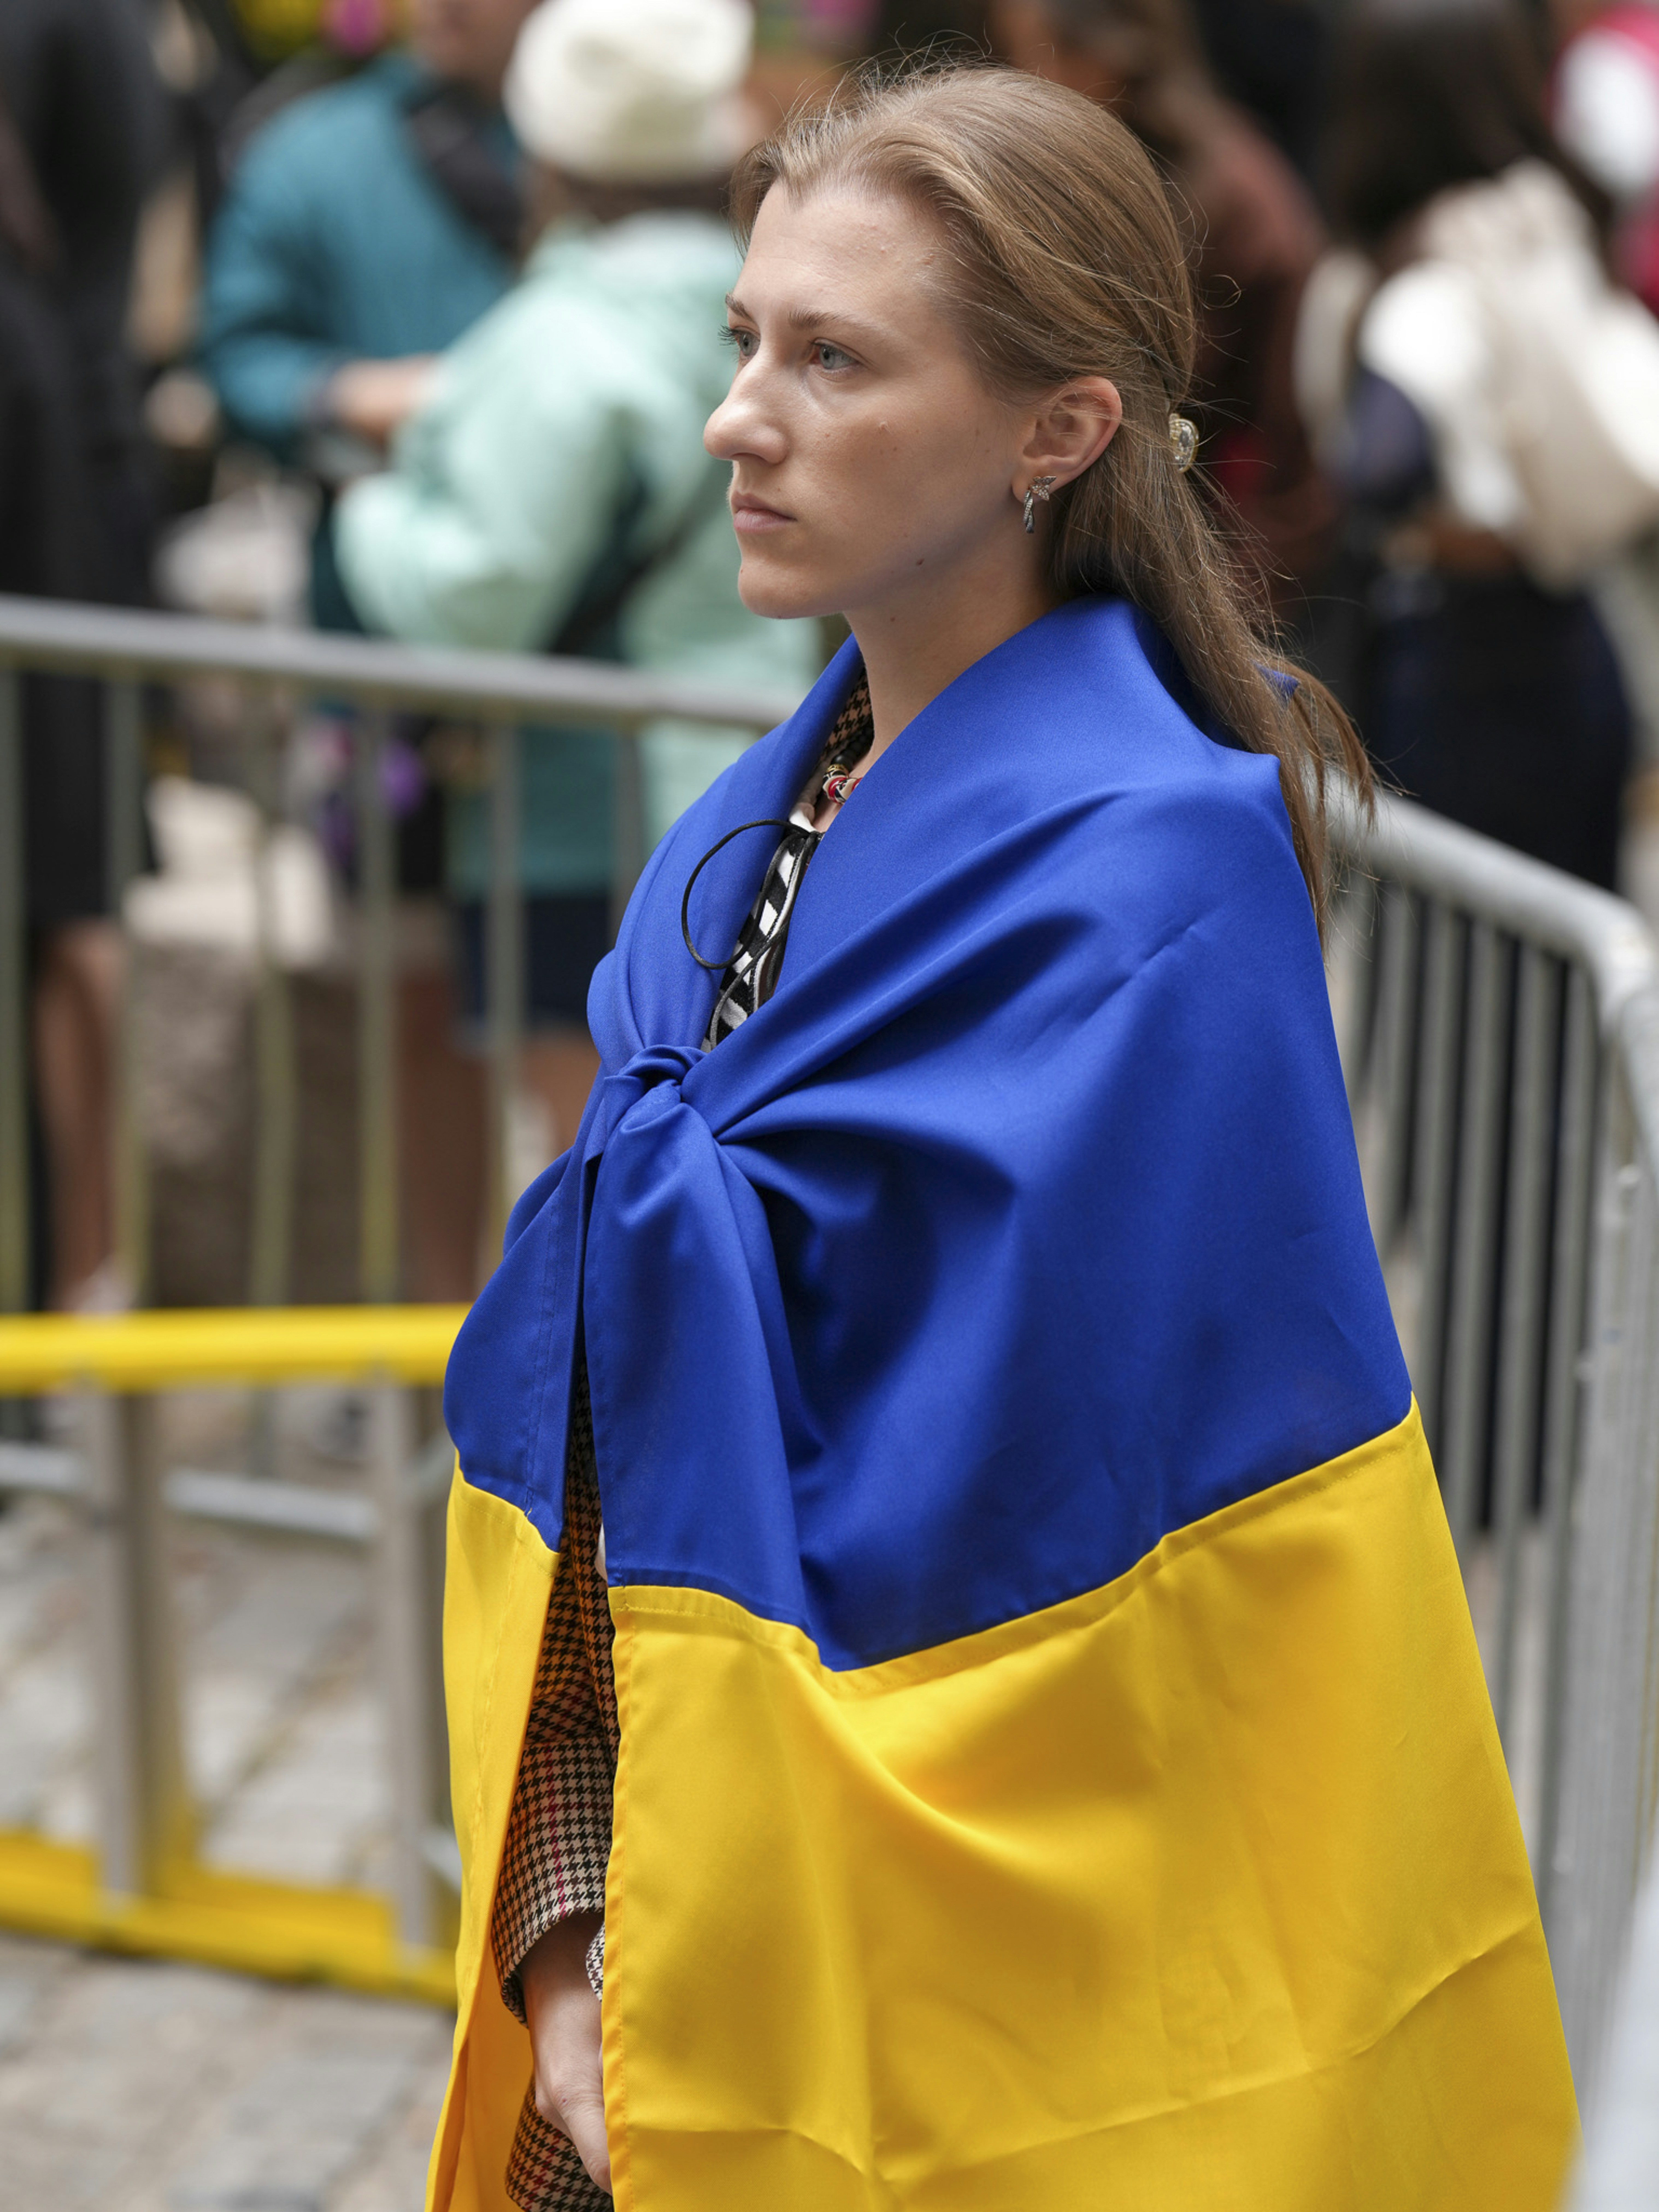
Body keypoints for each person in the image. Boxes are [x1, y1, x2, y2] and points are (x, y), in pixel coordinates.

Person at [433, 60, 1575, 2212]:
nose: (737, 419)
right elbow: (629, 1417)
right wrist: (571, 1931)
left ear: (1058, 430)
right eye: (744, 341)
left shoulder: (1160, 889)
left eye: (835, 358)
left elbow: (1167, 1629)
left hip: (968, 2010)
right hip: (662, 1911)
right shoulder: (748, 825)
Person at [333, 0, 819, 1213]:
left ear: (548, 150)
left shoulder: (561, 335)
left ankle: (604, 1408)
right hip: (763, 769)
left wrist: (365, 514)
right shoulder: (780, 304)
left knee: (599, 1164)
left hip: (579, 811)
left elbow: (477, 597)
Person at [1300, 0, 1645, 887]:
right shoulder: (1546, 222)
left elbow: (1381, 460)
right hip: (1568, 637)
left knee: (1452, 983)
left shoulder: (1434, 265)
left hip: (1466, 666)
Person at [990, 0, 1337, 606]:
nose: (1028, 82)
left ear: (1115, 54)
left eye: (1042, 55)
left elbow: (1283, 452)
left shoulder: (1231, 202)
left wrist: (1210, 611)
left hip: (1208, 569)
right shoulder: (1094, 169)